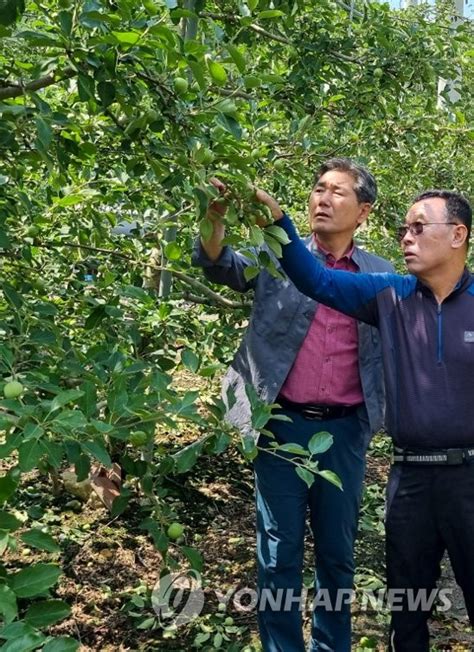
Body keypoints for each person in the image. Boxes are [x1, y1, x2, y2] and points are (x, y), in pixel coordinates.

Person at [255, 186, 474, 651]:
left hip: (470, 476)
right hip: (410, 477)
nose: (406, 239)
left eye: (419, 228)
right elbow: (316, 280)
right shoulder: (390, 296)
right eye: (403, 230)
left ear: (458, 235)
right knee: (408, 609)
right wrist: (277, 220)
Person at [192, 158, 393, 652]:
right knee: (278, 555)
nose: (322, 199)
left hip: (345, 432)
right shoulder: (274, 254)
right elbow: (219, 263)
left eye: (337, 192)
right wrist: (214, 218)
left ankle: (331, 646)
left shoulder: (380, 275)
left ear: (363, 211)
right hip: (279, 425)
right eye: (318, 189)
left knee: (337, 554)